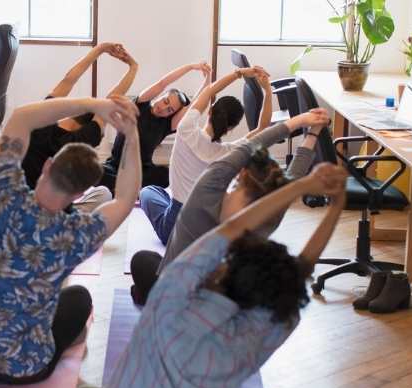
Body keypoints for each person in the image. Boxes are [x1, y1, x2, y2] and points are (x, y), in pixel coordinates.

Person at [72, 162, 348, 388]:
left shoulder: (169, 303)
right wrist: (337, 206)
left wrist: (303, 185)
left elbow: (232, 229)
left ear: (223, 271)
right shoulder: (259, 336)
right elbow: (301, 270)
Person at [0, 95, 142, 384]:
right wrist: (131, 136)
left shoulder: (1, 189)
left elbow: (22, 117)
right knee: (80, 299)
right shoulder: (76, 236)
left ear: (46, 166)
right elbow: (125, 198)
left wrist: (94, 105)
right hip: (27, 370)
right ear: (80, 194)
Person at [130, 107, 331, 306]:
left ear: (241, 175)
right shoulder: (268, 217)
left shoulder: (205, 196)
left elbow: (247, 148)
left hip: (174, 298)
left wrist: (300, 121)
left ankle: (143, 295)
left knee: (143, 259)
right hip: (214, 305)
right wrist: (313, 133)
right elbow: (293, 180)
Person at [140, 65, 273, 245]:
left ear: (210, 111)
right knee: (160, 192)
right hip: (206, 224)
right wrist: (267, 91)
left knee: (147, 191)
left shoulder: (185, 129)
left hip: (174, 230)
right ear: (231, 128)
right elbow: (262, 128)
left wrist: (240, 73)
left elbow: (210, 90)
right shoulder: (231, 151)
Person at [21, 42, 139, 212]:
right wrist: (133, 67)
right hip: (56, 211)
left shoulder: (42, 124)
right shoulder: (87, 138)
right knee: (104, 193)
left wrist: (100, 49)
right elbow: (113, 100)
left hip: (22, 202)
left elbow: (69, 79)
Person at [99, 61, 212, 193]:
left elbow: (194, 106)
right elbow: (163, 83)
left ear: (172, 114)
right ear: (161, 95)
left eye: (169, 110)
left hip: (141, 173)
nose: (163, 108)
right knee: (95, 172)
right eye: (165, 101)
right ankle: (125, 188)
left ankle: (125, 188)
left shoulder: (167, 125)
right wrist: (191, 67)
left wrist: (208, 80)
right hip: (115, 167)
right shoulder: (141, 103)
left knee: (166, 176)